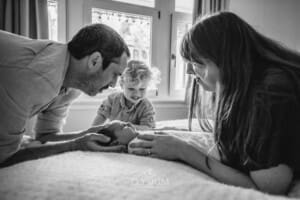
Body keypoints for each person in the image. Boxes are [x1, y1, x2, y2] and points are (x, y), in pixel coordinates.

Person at [128, 12, 300, 195]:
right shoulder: (241, 90)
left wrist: (182, 150)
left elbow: (266, 189)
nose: (188, 71)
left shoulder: (270, 94)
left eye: (196, 62)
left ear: (225, 58)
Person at [0, 23, 131, 167]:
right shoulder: (36, 77)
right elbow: (4, 157)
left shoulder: (72, 85)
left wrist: (92, 132)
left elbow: (46, 136)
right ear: (94, 61)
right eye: (114, 74)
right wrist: (74, 145)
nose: (114, 84)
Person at [92, 60, 160, 130]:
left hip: (136, 138)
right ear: (122, 85)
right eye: (131, 89)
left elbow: (148, 128)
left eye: (142, 89)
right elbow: (101, 116)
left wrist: (126, 127)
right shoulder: (112, 99)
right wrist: (92, 131)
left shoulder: (146, 106)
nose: (137, 94)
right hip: (115, 137)